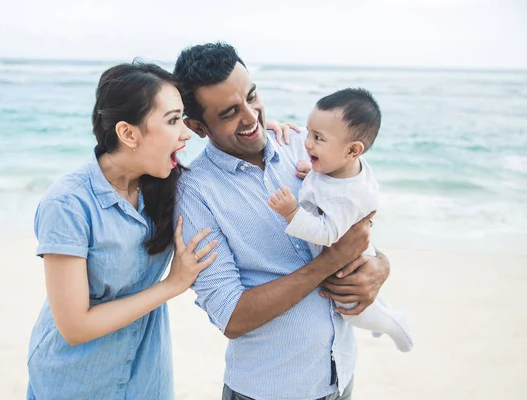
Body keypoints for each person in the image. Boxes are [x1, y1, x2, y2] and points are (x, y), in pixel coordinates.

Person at [173, 42, 391, 400]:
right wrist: (330, 263)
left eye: (252, 96)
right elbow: (231, 316)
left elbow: (354, 217)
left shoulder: (302, 145)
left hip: (340, 375)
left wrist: (380, 266)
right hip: (268, 390)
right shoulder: (194, 196)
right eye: (230, 113)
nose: (251, 116)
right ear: (197, 126)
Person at [25, 62, 221, 400]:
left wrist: (268, 134)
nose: (185, 133)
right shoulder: (69, 204)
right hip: (74, 384)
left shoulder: (170, 186)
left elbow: (235, 175)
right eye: (173, 120)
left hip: (147, 382)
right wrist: (172, 285)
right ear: (128, 134)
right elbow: (75, 326)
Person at [268, 88, 413, 353]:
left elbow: (326, 233)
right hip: (355, 248)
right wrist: (313, 170)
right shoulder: (341, 166)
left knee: (351, 308)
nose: (307, 143)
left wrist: (291, 213)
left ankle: (395, 325)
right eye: (309, 133)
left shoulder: (345, 198)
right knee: (369, 300)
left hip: (346, 262)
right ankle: (383, 315)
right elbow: (330, 174)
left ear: (353, 150)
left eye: (318, 138)